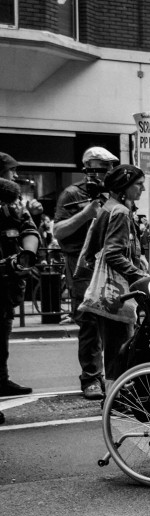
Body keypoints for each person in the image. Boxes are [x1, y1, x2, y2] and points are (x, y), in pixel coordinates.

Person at [52, 146, 117, 400]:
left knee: (114, 320)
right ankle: (91, 377)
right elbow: (59, 231)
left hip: (109, 262)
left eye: (109, 169)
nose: (105, 174)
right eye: (102, 169)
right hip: (82, 263)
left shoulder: (114, 194)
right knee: (88, 321)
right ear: (89, 169)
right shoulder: (72, 193)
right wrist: (86, 213)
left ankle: (113, 377)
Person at [95, 165, 150, 381]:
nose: (143, 189)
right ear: (123, 187)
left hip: (110, 288)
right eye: (138, 184)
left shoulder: (110, 207)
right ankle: (116, 397)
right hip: (117, 289)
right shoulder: (119, 211)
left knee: (115, 344)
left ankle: (115, 395)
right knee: (120, 345)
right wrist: (139, 276)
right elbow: (113, 253)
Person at [0, 178, 40, 406]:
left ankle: (1, 380)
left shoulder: (12, 205)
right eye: (10, 171)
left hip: (5, 285)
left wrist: (27, 255)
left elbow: (28, 229)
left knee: (2, 332)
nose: (15, 176)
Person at [0, 152, 43, 219]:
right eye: (12, 170)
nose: (16, 175)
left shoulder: (14, 200)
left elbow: (25, 228)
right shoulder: (7, 201)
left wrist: (32, 214)